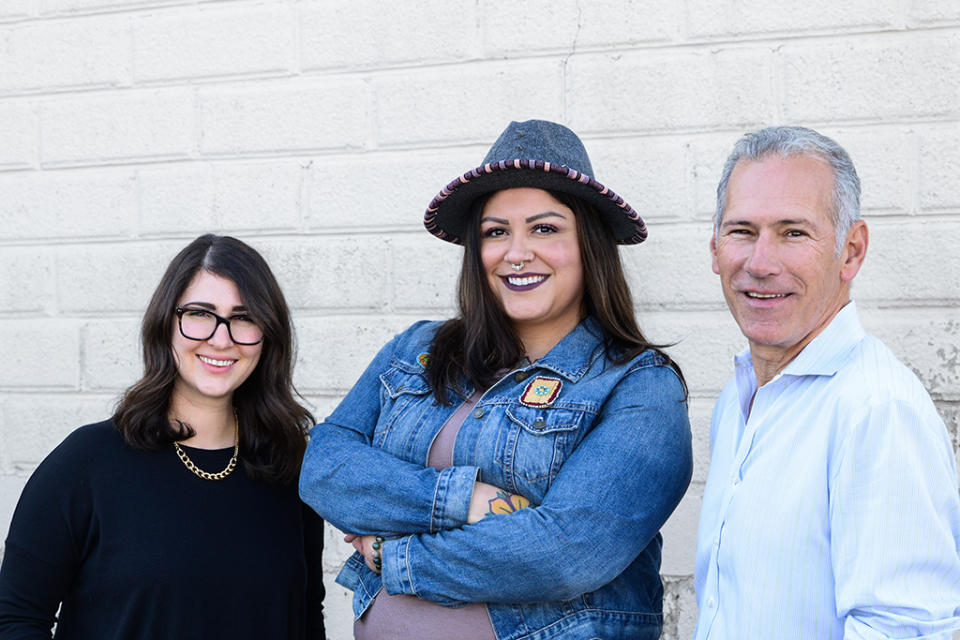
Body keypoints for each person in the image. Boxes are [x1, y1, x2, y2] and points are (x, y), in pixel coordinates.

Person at [299, 119, 693, 640]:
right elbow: (324, 466)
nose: (516, 252)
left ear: (589, 244)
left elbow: (563, 554)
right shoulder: (418, 349)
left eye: (545, 228)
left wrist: (390, 554)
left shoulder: (639, 387)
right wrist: (464, 500)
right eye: (495, 232)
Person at [695, 126, 960, 639]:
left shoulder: (875, 409)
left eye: (794, 232)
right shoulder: (739, 397)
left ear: (851, 251)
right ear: (714, 248)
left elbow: (904, 630)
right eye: (742, 231)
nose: (760, 263)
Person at [0, 234, 325, 639]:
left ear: (267, 335)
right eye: (200, 314)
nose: (221, 339)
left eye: (244, 317)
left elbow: (307, 616)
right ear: (165, 323)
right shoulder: (87, 464)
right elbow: (15, 620)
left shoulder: (291, 466)